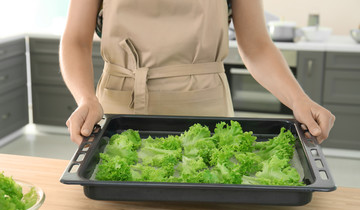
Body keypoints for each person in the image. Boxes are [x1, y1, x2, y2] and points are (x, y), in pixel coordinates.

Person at [60, 0, 335, 145]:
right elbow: (75, 40)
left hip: (206, 109)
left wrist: (299, 100)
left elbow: (256, 46)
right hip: (120, 109)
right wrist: (86, 99)